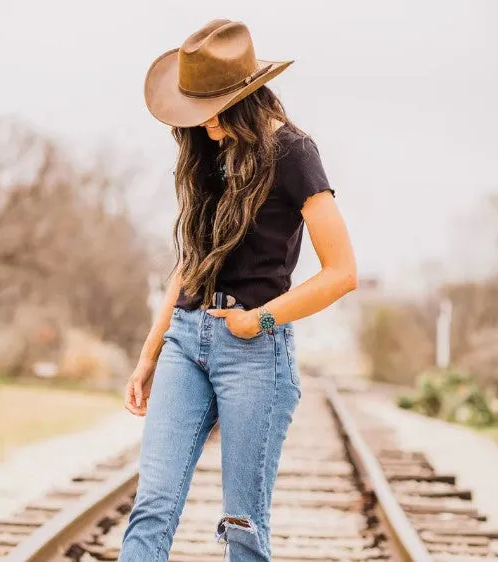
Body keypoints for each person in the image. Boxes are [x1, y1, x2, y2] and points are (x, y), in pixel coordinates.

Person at [119, 18, 357, 562]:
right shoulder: (208, 154)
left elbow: (342, 271)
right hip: (185, 339)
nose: (200, 128)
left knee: (243, 524)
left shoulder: (294, 154)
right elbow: (191, 263)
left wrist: (261, 320)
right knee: (152, 505)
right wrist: (150, 351)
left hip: (253, 351)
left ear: (241, 102)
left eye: (207, 114)